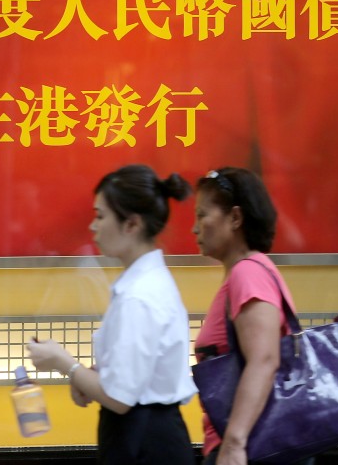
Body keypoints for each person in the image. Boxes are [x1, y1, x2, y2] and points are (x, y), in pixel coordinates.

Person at [28, 165, 197, 465]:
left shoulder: (139, 295)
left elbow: (120, 399)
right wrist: (89, 375)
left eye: (101, 216)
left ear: (131, 224)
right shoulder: (144, 283)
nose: (93, 226)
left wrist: (64, 363)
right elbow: (135, 371)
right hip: (150, 433)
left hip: (144, 441)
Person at [191, 167, 312, 465]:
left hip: (250, 447)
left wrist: (234, 444)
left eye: (202, 215)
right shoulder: (252, 270)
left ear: (235, 218)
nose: (195, 229)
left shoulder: (247, 273)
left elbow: (264, 359)